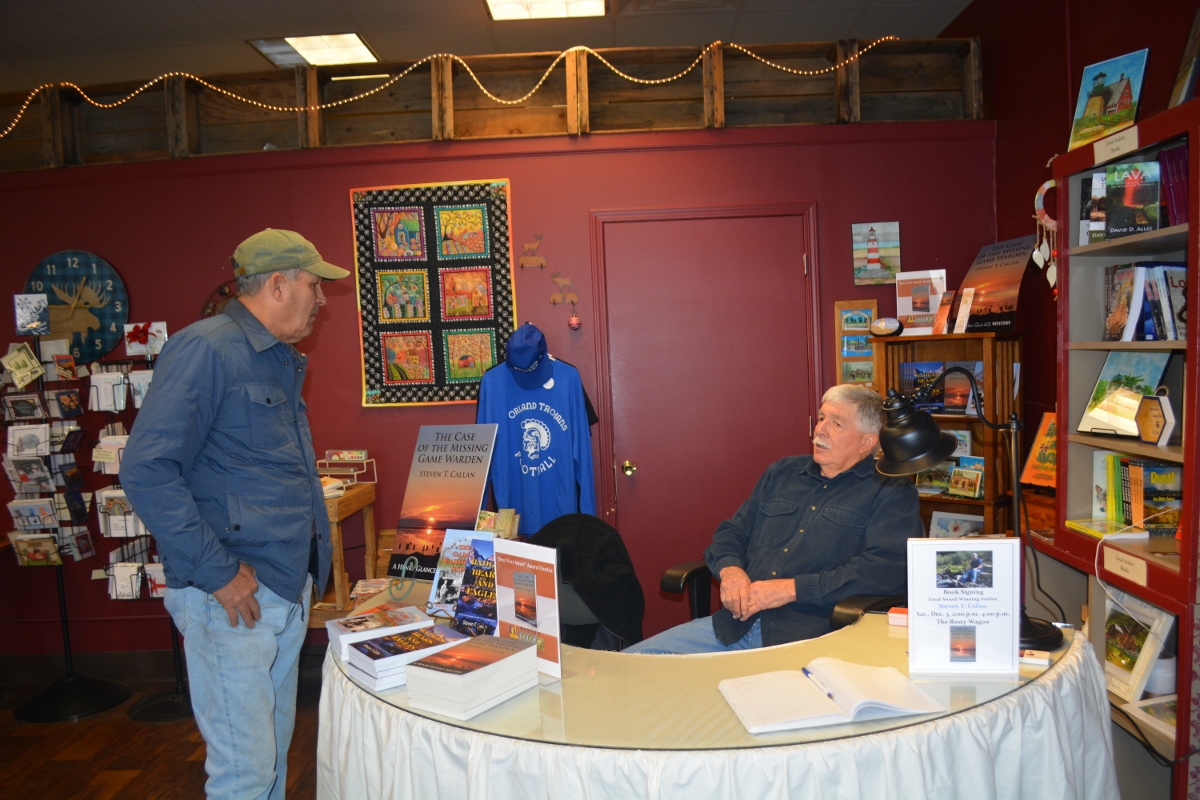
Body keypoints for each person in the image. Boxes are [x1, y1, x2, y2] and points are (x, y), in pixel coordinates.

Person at [120, 228, 349, 800]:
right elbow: (147, 469)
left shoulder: (276, 360)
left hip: (277, 592)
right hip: (233, 599)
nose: (322, 300)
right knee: (245, 774)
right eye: (314, 286)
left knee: (268, 764)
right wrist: (218, 573)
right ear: (277, 284)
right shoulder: (208, 348)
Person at [625, 384, 921, 654]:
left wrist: (790, 589)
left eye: (837, 424)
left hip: (810, 638)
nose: (820, 431)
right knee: (628, 668)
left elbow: (884, 570)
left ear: (867, 442)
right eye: (821, 418)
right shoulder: (782, 473)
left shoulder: (891, 490)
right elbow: (732, 533)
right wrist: (731, 573)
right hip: (733, 628)